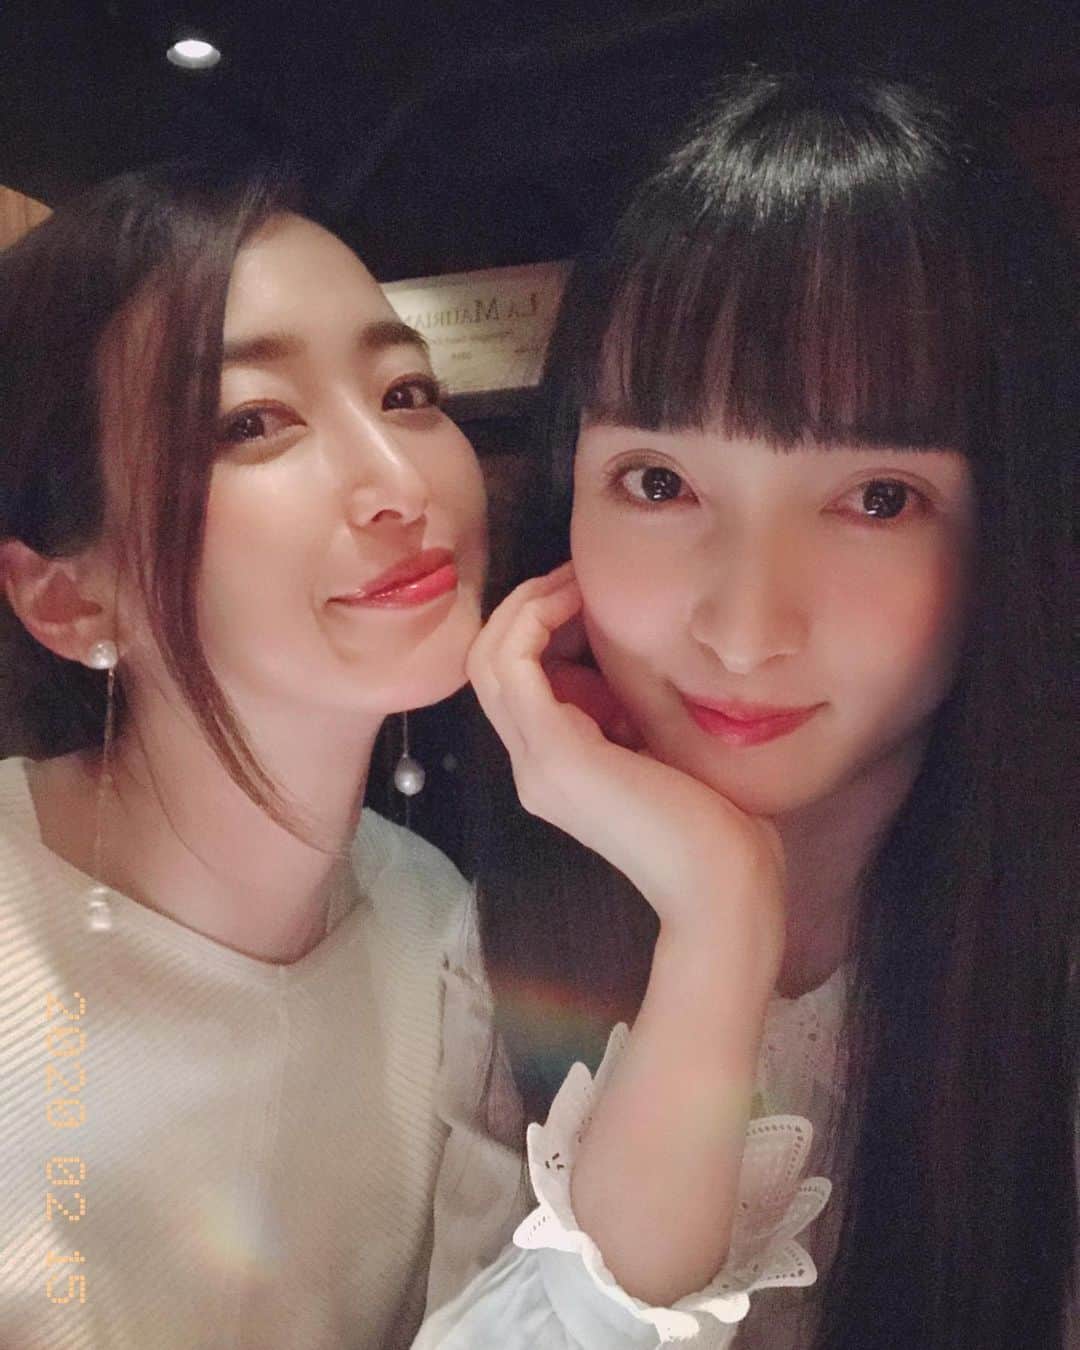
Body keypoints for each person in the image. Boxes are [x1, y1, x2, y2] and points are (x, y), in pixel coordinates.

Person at [415, 70, 1077, 1347]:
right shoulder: (508, 934)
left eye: (878, 498)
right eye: (659, 482)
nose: (743, 629)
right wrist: (719, 920)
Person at [0, 163, 496, 1348]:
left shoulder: (442, 934)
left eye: (409, 392)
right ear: (69, 599)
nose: (399, 481)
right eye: (252, 421)